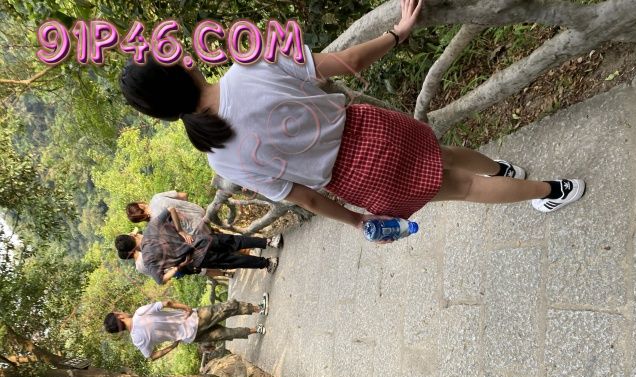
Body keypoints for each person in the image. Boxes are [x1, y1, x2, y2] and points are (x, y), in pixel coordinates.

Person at [119, 0, 586, 236]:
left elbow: (305, 197)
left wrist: (357, 222)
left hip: (357, 180)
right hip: (370, 127)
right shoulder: (250, 66)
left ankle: (554, 191)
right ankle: (505, 170)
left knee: (461, 189)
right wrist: (398, 32)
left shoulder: (220, 159)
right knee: (443, 153)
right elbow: (349, 63)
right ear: (180, 67)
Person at [116, 210, 281, 284]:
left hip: (198, 259)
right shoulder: (152, 227)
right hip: (201, 241)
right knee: (235, 241)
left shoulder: (148, 260)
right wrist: (181, 231)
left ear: (132, 250)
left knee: (234, 260)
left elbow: (161, 280)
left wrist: (178, 266)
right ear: (133, 236)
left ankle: (267, 263)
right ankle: (269, 241)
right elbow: (171, 210)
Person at [103, 294, 269, 361]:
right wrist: (186, 308)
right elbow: (166, 303)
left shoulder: (137, 340)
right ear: (119, 316)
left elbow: (152, 356)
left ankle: (257, 329)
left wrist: (172, 346)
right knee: (226, 308)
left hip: (190, 336)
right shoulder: (139, 313)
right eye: (119, 312)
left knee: (225, 334)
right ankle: (259, 308)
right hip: (193, 319)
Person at [114, 231, 236, 279]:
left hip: (177, 269)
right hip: (178, 256)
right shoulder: (144, 251)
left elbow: (158, 274)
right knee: (204, 255)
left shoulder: (139, 268)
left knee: (202, 270)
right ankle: (232, 256)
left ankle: (225, 273)